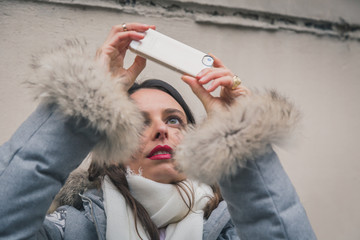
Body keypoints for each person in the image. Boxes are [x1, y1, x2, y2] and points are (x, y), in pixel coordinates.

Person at [0, 23, 317, 240]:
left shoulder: (232, 229)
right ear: (111, 155)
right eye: (139, 123)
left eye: (175, 120)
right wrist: (85, 105)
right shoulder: (71, 228)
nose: (161, 131)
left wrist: (241, 140)